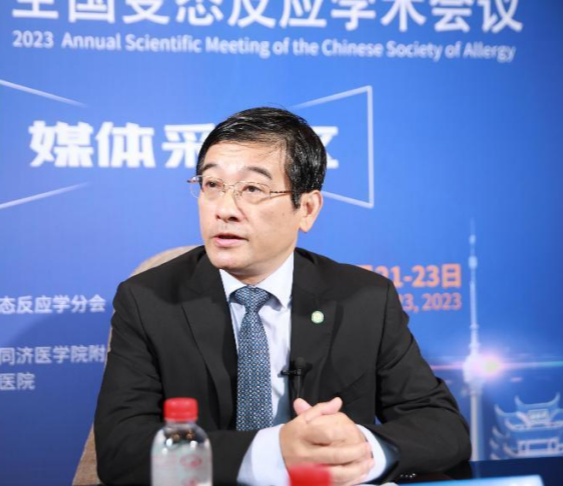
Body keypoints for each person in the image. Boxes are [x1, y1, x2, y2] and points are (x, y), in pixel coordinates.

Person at [94, 107, 471, 485]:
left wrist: (361, 448)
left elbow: (443, 428)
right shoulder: (148, 300)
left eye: (252, 189)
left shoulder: (365, 299)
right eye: (212, 185)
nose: (224, 209)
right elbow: (121, 451)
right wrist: (273, 451)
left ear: (306, 209)